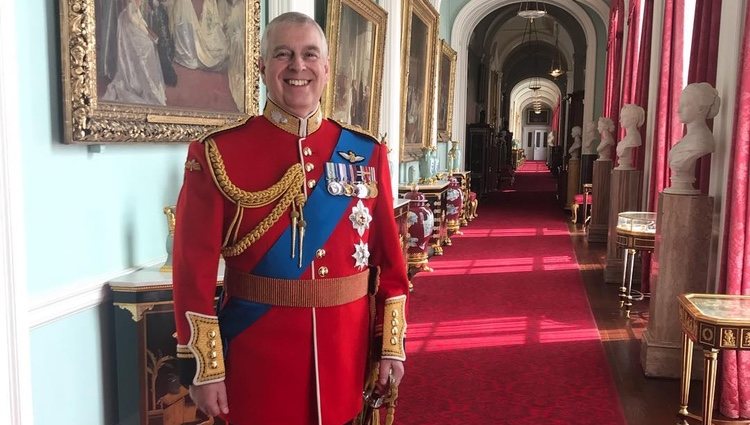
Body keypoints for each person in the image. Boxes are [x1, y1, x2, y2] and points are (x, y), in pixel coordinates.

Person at [171, 12, 409, 425]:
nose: (298, 66)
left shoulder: (367, 152)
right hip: (258, 358)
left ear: (327, 67)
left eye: (309, 54)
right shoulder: (218, 153)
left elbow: (389, 259)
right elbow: (193, 269)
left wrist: (389, 344)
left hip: (345, 354)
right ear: (263, 67)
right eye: (284, 54)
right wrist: (206, 368)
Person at [102, 0, 166, 105]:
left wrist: (148, 30)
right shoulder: (131, 4)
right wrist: (146, 33)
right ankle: (140, 79)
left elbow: (140, 18)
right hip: (128, 28)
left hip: (135, 26)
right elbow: (133, 20)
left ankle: (146, 78)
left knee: (149, 44)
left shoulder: (138, 3)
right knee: (147, 45)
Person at [665, 82, 721, 194]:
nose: (678, 110)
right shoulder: (687, 140)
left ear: (701, 109)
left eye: (685, 105)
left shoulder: (703, 141)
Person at [615, 104, 645, 170]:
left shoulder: (634, 138)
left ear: (633, 119)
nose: (620, 120)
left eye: (623, 117)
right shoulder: (627, 138)